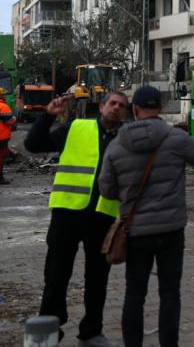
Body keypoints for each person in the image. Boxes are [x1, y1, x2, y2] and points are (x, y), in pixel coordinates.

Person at [98, 85, 194, 347]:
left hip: (135, 231)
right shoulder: (176, 138)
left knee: (134, 294)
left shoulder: (118, 144)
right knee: (169, 294)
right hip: (170, 231)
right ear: (161, 108)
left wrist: (127, 192)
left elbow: (106, 190)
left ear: (134, 109)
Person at [24, 91, 129, 347]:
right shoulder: (76, 128)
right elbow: (33, 145)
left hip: (103, 217)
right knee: (56, 276)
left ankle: (91, 332)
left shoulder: (128, 139)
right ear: (101, 106)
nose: (116, 108)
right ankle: (48, 332)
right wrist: (47, 117)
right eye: (112, 103)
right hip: (67, 214)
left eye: (122, 106)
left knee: (97, 279)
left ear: (126, 112)